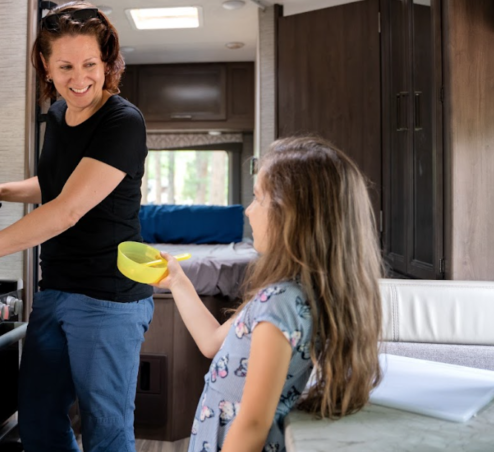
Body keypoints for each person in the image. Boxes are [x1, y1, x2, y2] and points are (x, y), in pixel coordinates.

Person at [0, 1, 152, 452]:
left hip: (109, 299)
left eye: (90, 63)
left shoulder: (123, 123)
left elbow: (67, 209)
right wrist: (2, 190)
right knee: (40, 423)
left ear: (107, 62)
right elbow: (55, 185)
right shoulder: (59, 116)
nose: (79, 78)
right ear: (45, 65)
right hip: (57, 291)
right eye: (65, 66)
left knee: (106, 433)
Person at [156, 137, 383, 452]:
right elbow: (211, 343)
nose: (248, 211)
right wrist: (179, 282)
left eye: (258, 198)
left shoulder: (276, 302)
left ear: (293, 215)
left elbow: (251, 425)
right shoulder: (296, 290)